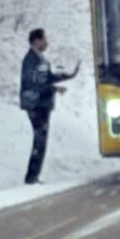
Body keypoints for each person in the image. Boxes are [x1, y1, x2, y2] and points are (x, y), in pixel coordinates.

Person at [19, 28, 80, 184]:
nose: (47, 43)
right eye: (45, 40)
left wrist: (68, 75)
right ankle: (31, 177)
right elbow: (33, 84)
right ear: (37, 41)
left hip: (43, 104)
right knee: (40, 139)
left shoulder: (42, 60)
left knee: (41, 139)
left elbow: (48, 77)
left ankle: (33, 176)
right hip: (34, 104)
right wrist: (54, 88)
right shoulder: (30, 61)